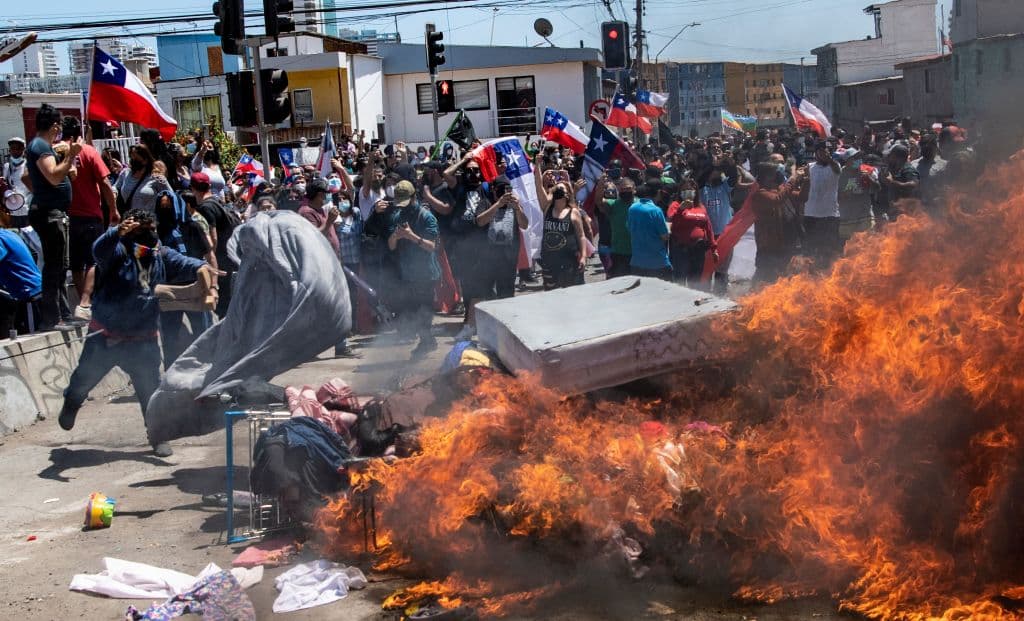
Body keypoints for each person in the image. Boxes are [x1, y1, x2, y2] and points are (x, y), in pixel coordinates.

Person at [59, 209, 217, 457]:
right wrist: (116, 232)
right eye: (143, 230)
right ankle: (71, 403)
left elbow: (185, 262)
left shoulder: (159, 253)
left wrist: (204, 268)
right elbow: (99, 250)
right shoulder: (118, 252)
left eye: (152, 229)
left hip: (143, 339)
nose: (150, 234)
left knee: (150, 391)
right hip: (106, 336)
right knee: (82, 380)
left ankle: (157, 435)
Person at [26, 104, 82, 330]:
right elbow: (53, 177)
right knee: (54, 266)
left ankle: (64, 314)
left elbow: (31, 176)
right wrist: (71, 156)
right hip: (49, 214)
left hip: (55, 212)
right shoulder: (40, 146)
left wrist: (67, 161)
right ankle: (52, 319)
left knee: (61, 266)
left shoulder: (44, 147)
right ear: (55, 126)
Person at [62, 117, 118, 323]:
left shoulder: (57, 152)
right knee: (94, 260)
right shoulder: (88, 151)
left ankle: (83, 305)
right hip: (90, 216)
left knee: (76, 265)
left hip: (67, 218)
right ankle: (87, 303)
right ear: (79, 132)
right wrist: (113, 209)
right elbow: (105, 183)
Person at [386, 180, 440, 355]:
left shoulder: (426, 217)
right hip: (407, 273)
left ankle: (427, 341)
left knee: (424, 311)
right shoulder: (397, 216)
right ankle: (427, 341)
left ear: (413, 197)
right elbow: (391, 246)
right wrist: (395, 236)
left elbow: (431, 246)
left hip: (426, 273)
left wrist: (411, 236)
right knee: (413, 310)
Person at [750, 162, 807, 284]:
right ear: (765, 176)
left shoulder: (779, 190)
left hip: (784, 244)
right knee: (765, 279)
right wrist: (792, 179)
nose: (777, 176)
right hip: (768, 246)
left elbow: (802, 197)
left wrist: (807, 180)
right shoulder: (760, 194)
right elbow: (777, 199)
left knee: (784, 277)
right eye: (773, 174)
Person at [191, 172, 238, 318]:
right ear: (209, 186)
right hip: (228, 257)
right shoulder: (217, 202)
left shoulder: (205, 208)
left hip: (220, 262)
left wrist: (210, 262)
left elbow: (213, 238)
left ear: (193, 189)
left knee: (222, 304)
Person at [0, 203, 41, 335]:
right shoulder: (9, 234)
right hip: (31, 293)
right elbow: (33, 254)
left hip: (30, 295)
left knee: (33, 340)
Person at [538, 175, 586, 290]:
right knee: (551, 293)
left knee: (572, 292)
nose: (558, 190)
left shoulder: (573, 212)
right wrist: (540, 172)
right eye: (556, 188)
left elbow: (581, 235)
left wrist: (583, 256)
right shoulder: (547, 209)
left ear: (567, 194)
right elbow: (539, 189)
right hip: (550, 261)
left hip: (569, 260)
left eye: (561, 189)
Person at [667, 181, 717, 286]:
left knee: (695, 280)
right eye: (684, 190)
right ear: (680, 192)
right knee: (680, 280)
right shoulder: (675, 205)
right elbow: (672, 221)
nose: (687, 192)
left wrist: (714, 248)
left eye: (690, 189)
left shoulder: (701, 207)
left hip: (698, 249)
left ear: (695, 192)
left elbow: (708, 228)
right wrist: (680, 210)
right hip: (681, 249)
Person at [802, 141, 842, 266]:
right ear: (816, 153)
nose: (825, 153)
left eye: (828, 151)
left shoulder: (835, 166)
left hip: (829, 214)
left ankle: (828, 270)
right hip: (810, 213)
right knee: (812, 247)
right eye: (822, 151)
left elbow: (837, 170)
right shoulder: (809, 167)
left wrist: (829, 159)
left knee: (829, 248)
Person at [626, 183, 671, 279]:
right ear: (658, 192)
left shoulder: (632, 208)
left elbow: (629, 228)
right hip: (657, 262)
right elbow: (664, 236)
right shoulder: (656, 210)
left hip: (637, 261)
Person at [114, 144, 173, 214]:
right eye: (131, 158)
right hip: (130, 218)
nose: (132, 161)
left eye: (136, 158)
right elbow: (115, 186)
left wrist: (166, 196)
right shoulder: (125, 173)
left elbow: (170, 194)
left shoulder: (156, 177)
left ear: (145, 160)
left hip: (149, 219)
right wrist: (114, 193)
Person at [299, 178, 341, 256]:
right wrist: (330, 220)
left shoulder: (320, 208)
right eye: (328, 193)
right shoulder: (306, 212)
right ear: (320, 195)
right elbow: (314, 236)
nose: (330, 195)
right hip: (322, 257)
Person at [603, 177, 635, 278]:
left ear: (634, 189)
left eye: (628, 189)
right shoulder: (613, 204)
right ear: (618, 191)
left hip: (637, 252)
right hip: (618, 252)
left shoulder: (639, 204)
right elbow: (599, 201)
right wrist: (600, 184)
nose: (625, 192)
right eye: (622, 189)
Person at [882, 144, 920, 219]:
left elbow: (914, 184)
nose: (889, 157)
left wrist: (892, 182)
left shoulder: (908, 169)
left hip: (906, 211)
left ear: (898, 157)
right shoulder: (895, 167)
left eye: (891, 155)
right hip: (895, 209)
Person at [2, 137, 31, 228]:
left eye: (18, 149)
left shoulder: (29, 165)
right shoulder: (6, 166)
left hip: (28, 209)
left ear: (23, 150)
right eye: (12, 149)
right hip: (14, 210)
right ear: (9, 151)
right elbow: (6, 185)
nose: (15, 151)